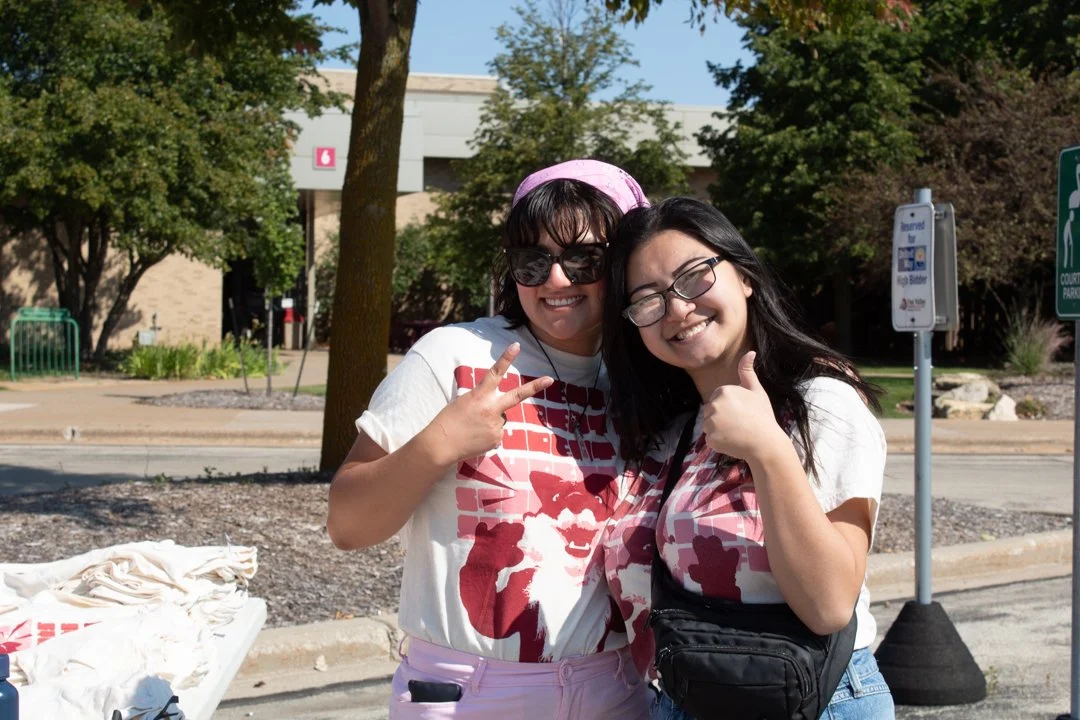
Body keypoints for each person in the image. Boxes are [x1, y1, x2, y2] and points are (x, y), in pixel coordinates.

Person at [326, 159, 652, 719]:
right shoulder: (455, 356)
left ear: (623, 263)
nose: (556, 280)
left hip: (616, 691)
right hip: (469, 696)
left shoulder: (645, 379)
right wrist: (439, 442)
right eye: (534, 260)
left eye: (583, 259)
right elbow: (348, 525)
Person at [599, 197, 895, 720]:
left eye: (693, 276)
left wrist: (767, 448)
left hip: (812, 700)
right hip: (690, 695)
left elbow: (829, 605)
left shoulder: (822, 405)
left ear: (745, 276)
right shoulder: (675, 434)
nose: (677, 309)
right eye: (648, 300)